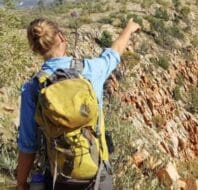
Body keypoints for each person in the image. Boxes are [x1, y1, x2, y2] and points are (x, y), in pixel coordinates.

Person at [16, 17, 141, 190]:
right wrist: (129, 28)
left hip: (58, 179)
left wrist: (21, 182)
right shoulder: (90, 70)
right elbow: (115, 52)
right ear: (61, 37)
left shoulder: (32, 88)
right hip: (98, 176)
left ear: (35, 48)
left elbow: (28, 145)